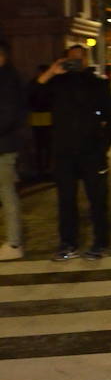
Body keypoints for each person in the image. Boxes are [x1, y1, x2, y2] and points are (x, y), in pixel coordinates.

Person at [35, 44, 111, 261]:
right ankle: (68, 243)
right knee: (66, 201)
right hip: (64, 154)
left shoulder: (98, 84)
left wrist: (104, 145)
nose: (76, 62)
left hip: (92, 153)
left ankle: (100, 241)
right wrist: (52, 72)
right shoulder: (56, 84)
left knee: (97, 200)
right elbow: (32, 98)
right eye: (71, 59)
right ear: (63, 60)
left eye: (81, 58)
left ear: (88, 61)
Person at [0, 40, 27, 261]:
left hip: (4, 147)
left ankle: (14, 242)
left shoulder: (8, 80)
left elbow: (7, 117)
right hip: (5, 145)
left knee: (7, 194)